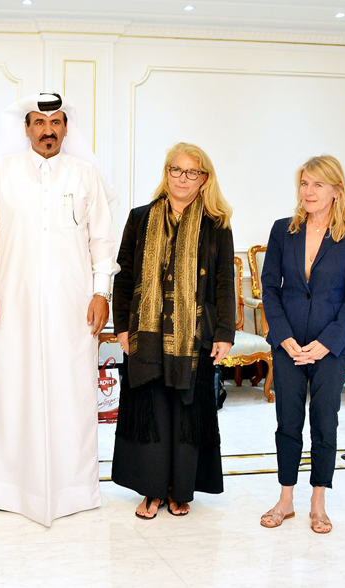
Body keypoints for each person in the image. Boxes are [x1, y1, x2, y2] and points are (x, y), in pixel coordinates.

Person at [0, 93, 117, 526]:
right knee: (9, 391)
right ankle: (2, 487)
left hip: (73, 307)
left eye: (55, 123)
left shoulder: (85, 175)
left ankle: (73, 489)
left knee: (72, 394)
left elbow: (102, 240)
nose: (47, 131)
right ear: (26, 127)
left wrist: (101, 292)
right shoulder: (2, 172)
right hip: (10, 305)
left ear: (66, 128)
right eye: (39, 122)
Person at [111, 143, 236, 520]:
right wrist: (122, 327)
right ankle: (152, 491)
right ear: (166, 173)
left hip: (194, 335)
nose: (183, 178)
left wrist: (224, 333)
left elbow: (224, 281)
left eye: (191, 172)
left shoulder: (216, 225)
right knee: (152, 411)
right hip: (146, 333)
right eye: (175, 170)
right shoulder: (140, 217)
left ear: (204, 179)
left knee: (185, 413)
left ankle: (180, 490)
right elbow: (124, 276)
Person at [259, 155, 345, 534]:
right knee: (287, 420)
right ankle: (285, 499)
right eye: (304, 183)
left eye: (317, 184)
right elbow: (270, 288)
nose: (308, 191)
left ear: (337, 190)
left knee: (325, 421)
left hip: (331, 345)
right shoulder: (282, 230)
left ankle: (318, 502)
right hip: (288, 342)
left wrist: (326, 344)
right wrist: (283, 336)